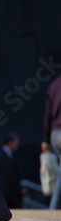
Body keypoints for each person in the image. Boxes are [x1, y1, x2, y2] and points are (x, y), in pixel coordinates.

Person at [43, 75, 61, 209]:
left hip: (55, 135)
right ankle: (54, 206)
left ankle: (54, 206)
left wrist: (46, 139)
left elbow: (47, 115)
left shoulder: (54, 85)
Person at [0, 133, 23, 209]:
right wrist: (18, 187)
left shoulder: (10, 154)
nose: (17, 145)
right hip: (8, 191)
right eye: (16, 143)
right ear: (10, 142)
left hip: (10, 191)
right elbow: (10, 173)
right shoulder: (3, 155)